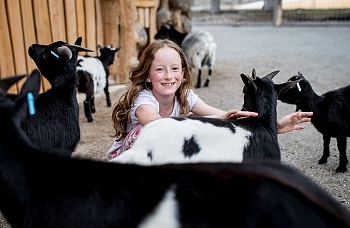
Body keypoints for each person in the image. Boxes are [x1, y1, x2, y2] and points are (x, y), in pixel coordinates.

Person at [107, 39, 313, 159]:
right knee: (157, 131)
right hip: (135, 157)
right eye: (160, 70)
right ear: (147, 76)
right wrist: (211, 124)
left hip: (163, 153)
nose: (169, 75)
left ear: (184, 73)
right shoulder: (144, 101)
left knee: (201, 134)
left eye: (175, 69)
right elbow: (157, 127)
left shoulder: (185, 96)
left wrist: (272, 125)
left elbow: (218, 117)